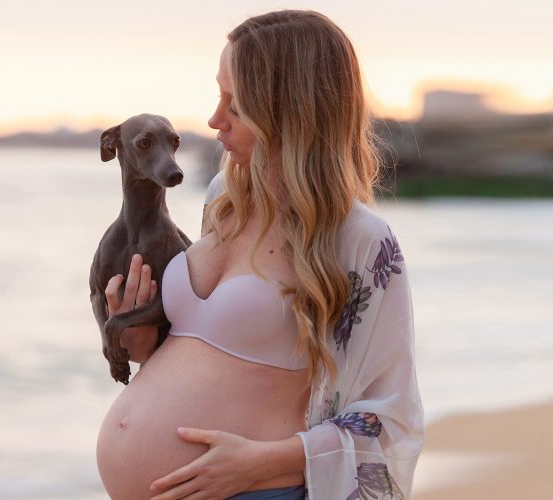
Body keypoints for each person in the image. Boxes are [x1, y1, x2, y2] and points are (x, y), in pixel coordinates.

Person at [95, 10, 424, 500]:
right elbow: (207, 353)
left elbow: (391, 414)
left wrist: (261, 462)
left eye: (237, 104)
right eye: (218, 94)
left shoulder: (360, 240)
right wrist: (140, 343)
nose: (214, 119)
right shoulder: (222, 199)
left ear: (292, 110)